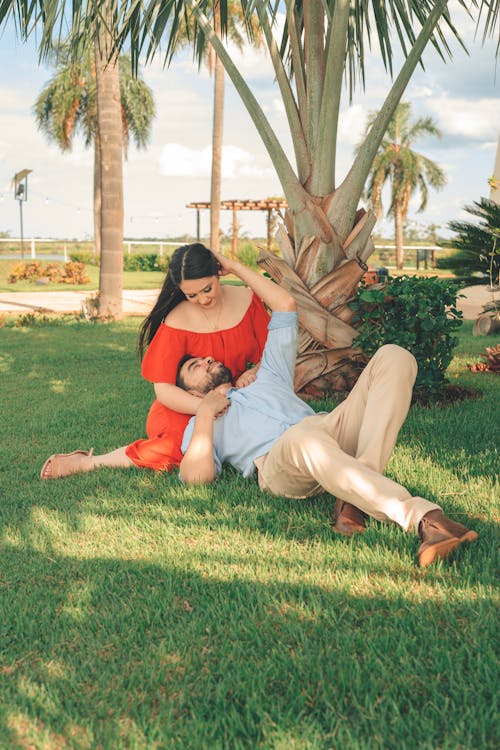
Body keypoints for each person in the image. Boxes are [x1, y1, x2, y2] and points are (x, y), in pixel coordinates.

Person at [177, 260, 478, 568]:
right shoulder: (199, 426)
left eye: (204, 357)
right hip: (278, 464)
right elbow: (197, 479)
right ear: (192, 393)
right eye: (194, 366)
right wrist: (204, 413)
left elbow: (285, 304)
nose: (207, 359)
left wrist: (231, 266)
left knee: (394, 356)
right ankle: (428, 519)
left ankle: (352, 501)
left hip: (327, 429)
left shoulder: (266, 375)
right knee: (303, 437)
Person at [40, 244, 270, 479]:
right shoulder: (176, 319)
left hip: (233, 398)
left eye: (207, 289)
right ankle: (89, 462)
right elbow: (163, 390)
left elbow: (271, 354)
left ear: (218, 273)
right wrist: (203, 409)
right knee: (178, 448)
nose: (201, 299)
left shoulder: (247, 299)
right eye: (191, 295)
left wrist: (254, 372)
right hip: (183, 404)